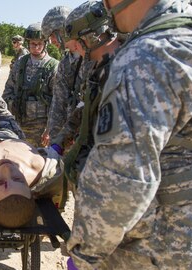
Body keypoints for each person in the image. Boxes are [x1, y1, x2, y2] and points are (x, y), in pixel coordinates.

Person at [65, 0, 192, 270]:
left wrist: (85, 256)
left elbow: (121, 181)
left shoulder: (147, 55)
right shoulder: (186, 38)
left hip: (158, 254)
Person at [61, 1, 122, 185]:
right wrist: (60, 139)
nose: (77, 53)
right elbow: (85, 108)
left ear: (91, 38)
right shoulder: (98, 70)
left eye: (76, 47)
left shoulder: (125, 69)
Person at [2, 23, 59, 147]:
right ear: (28, 43)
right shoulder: (20, 64)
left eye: (40, 43)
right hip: (18, 125)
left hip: (41, 130)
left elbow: (57, 102)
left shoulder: (53, 67)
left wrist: (49, 129)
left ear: (45, 43)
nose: (36, 46)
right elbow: (8, 90)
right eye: (33, 43)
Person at [40, 6, 84, 150]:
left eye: (53, 35)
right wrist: (54, 140)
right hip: (69, 135)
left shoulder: (93, 56)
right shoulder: (65, 63)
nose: (52, 41)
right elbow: (58, 102)